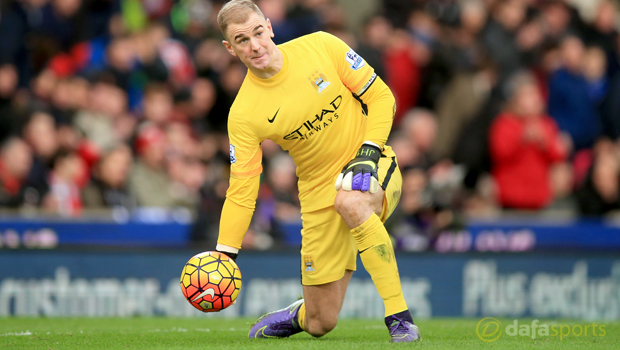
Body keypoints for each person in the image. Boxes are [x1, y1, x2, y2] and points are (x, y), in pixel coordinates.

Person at [212, 0, 420, 342]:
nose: (255, 45)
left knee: (352, 202)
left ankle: (399, 317)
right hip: (317, 194)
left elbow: (382, 97)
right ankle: (298, 314)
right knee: (321, 322)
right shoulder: (244, 114)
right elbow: (242, 188)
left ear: (269, 26)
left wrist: (369, 151)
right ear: (230, 48)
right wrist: (225, 252)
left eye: (258, 33)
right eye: (242, 40)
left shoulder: (321, 45)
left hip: (372, 162)